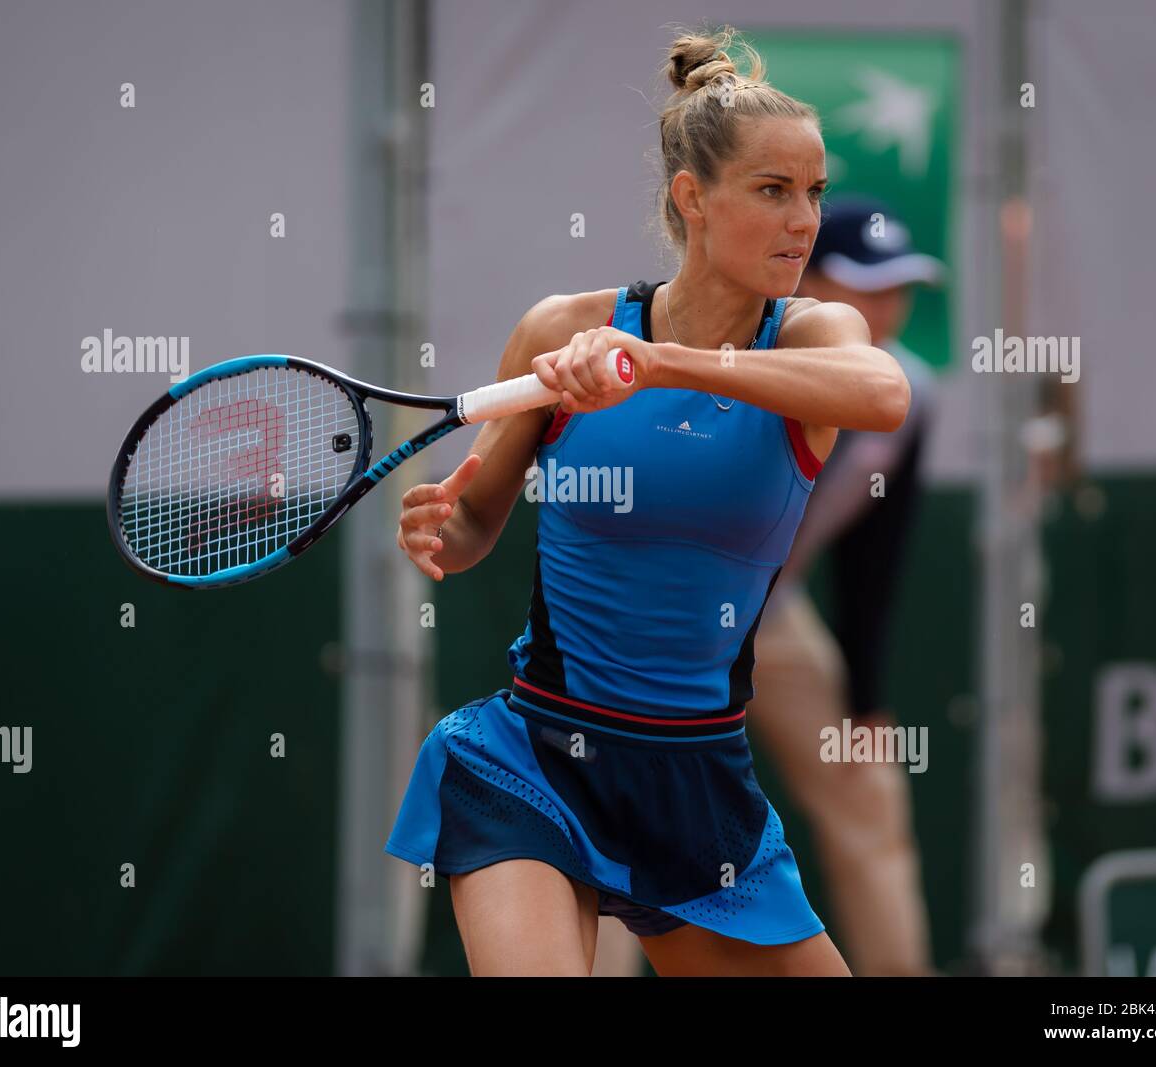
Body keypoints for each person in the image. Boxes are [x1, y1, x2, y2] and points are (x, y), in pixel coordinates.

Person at [383, 27, 910, 977]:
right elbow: (473, 522)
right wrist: (443, 527)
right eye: (773, 191)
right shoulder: (561, 330)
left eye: (813, 192)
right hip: (532, 758)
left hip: (697, 784)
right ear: (691, 198)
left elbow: (884, 394)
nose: (803, 220)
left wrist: (660, 363)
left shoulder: (818, 331)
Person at [745, 195, 942, 976]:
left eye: (898, 286)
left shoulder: (910, 393)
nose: (886, 306)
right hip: (670, 621)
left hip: (777, 620)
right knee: (627, 820)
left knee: (870, 797)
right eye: (866, 284)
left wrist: (865, 699)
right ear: (807, 282)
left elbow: (874, 555)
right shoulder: (741, 363)